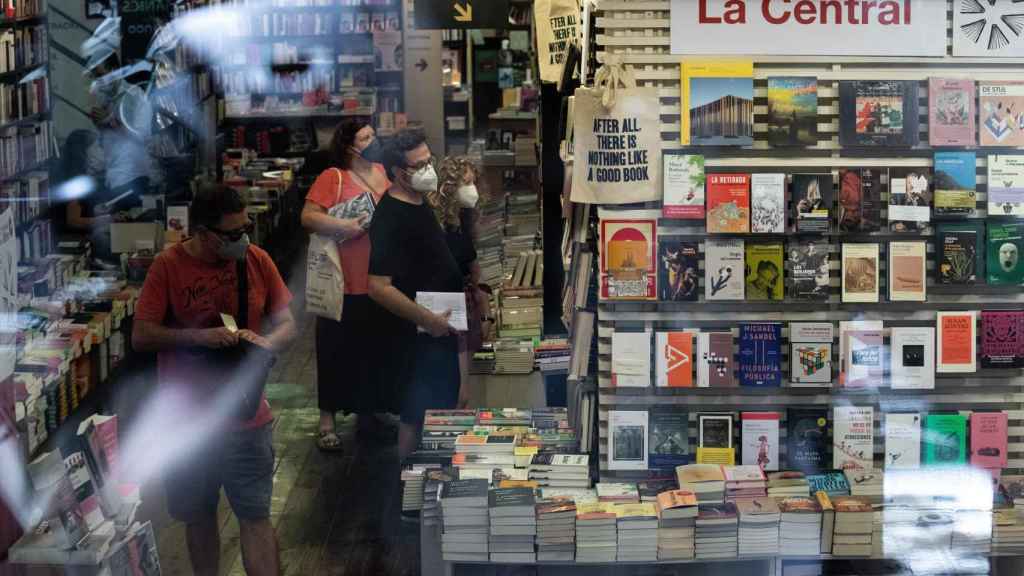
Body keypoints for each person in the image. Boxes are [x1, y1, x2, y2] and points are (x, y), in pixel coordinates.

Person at [132, 185, 296, 576]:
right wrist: (197, 337)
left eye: (246, 228)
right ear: (202, 233)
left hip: (247, 414)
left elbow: (288, 324)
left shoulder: (256, 260)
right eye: (233, 234)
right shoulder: (167, 267)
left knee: (256, 516)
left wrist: (265, 342)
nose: (244, 239)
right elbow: (142, 335)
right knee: (197, 514)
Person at [367, 129, 463, 463]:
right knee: (415, 414)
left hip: (437, 327)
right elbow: (378, 287)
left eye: (429, 161)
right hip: (416, 335)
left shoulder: (419, 200)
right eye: (418, 166)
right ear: (397, 173)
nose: (428, 170)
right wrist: (429, 320)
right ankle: (407, 493)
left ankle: (422, 484)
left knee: (435, 407)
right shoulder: (390, 216)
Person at [300, 119, 394, 451]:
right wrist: (344, 225)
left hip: (379, 277)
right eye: (367, 137)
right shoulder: (333, 177)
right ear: (350, 145)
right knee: (334, 348)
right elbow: (308, 217)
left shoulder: (383, 171)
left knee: (373, 348)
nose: (374, 140)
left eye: (374, 134)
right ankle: (327, 421)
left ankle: (368, 413)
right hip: (342, 277)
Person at [431, 156, 489, 408]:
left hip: (462, 299)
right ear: (449, 187)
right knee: (456, 387)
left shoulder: (464, 217)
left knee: (462, 386)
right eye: (466, 183)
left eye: (473, 182)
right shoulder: (439, 226)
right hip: (445, 303)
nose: (472, 189)